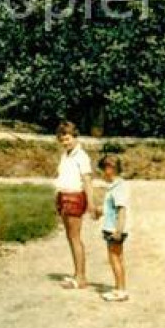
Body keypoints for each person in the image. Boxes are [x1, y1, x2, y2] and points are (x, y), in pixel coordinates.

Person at [54, 120, 97, 289]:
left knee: (75, 237)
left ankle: (81, 277)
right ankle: (76, 272)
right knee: (69, 237)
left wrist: (91, 204)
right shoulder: (65, 155)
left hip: (75, 197)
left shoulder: (82, 157)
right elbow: (61, 178)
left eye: (68, 138)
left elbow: (87, 181)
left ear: (75, 137)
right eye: (62, 140)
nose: (65, 142)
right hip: (64, 196)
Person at [97, 153, 130, 302]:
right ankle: (120, 287)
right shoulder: (115, 186)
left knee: (114, 259)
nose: (102, 174)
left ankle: (120, 290)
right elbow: (111, 209)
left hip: (114, 229)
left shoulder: (118, 188)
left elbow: (121, 210)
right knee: (118, 258)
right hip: (113, 227)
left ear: (110, 168)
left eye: (103, 170)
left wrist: (118, 230)